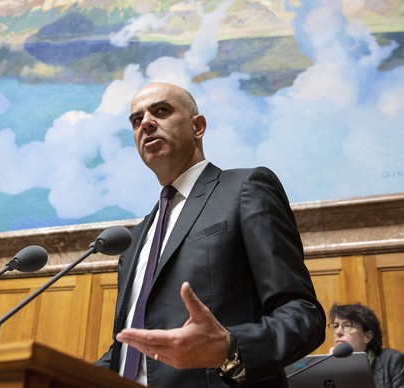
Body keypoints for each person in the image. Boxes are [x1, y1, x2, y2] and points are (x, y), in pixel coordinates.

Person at [95, 82, 326, 387]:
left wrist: (230, 348)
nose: (146, 123)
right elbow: (131, 349)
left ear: (198, 127)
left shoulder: (245, 189)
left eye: (161, 110)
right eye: (137, 120)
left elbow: (303, 315)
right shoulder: (135, 239)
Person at [329, 303, 404, 388]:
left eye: (347, 325)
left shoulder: (393, 361)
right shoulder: (327, 366)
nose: (338, 332)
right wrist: (332, 366)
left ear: (368, 336)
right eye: (335, 326)